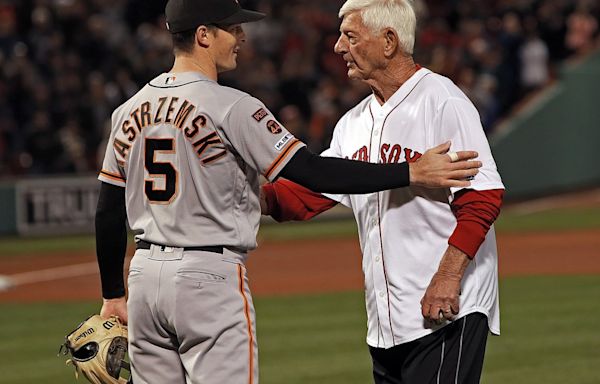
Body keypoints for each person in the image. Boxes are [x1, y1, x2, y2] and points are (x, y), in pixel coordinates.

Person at [94, 0, 481, 383]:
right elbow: (312, 172)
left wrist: (113, 294)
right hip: (207, 278)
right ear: (203, 35)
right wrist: (410, 171)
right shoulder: (233, 107)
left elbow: (108, 210)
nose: (242, 36)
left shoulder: (127, 110)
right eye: (233, 28)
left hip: (143, 278)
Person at [261, 0, 504, 383]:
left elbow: (482, 198)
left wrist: (447, 277)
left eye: (350, 36)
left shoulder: (442, 100)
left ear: (388, 41)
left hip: (447, 308)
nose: (339, 47)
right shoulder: (352, 123)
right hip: (388, 321)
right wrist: (253, 196)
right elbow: (310, 194)